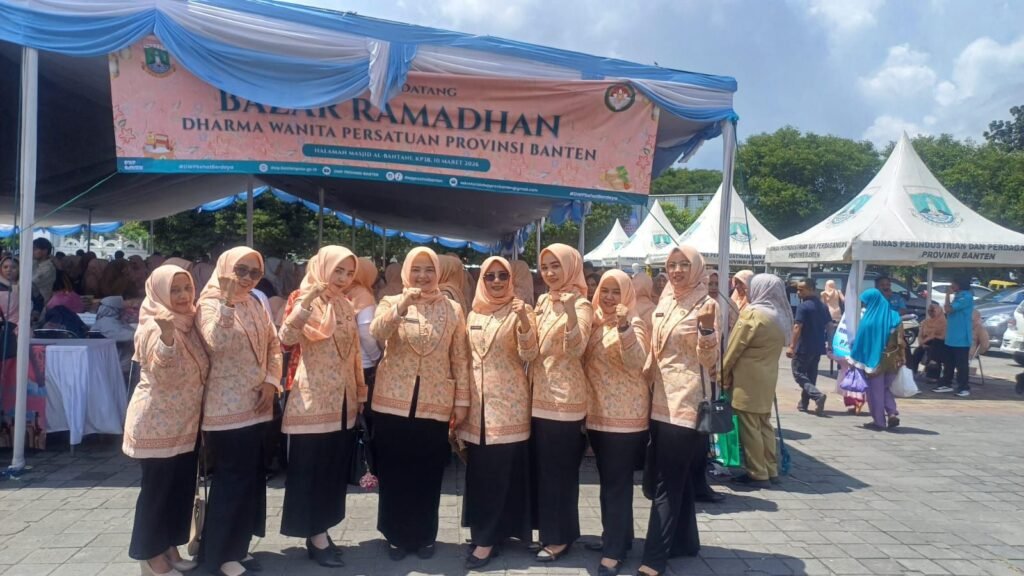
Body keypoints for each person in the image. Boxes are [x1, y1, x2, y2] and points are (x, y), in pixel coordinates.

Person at [369, 247, 471, 561]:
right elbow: (377, 333)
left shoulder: (452, 308)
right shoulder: (391, 302)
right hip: (392, 402)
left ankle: (425, 535)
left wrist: (462, 400)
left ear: (438, 273)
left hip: (434, 401)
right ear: (406, 272)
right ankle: (395, 535)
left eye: (429, 269)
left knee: (428, 470)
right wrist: (403, 304)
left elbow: (460, 356)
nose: (423, 276)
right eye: (416, 269)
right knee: (394, 470)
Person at [195, 247, 283, 576]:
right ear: (225, 269)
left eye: (254, 273)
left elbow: (274, 344)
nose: (247, 278)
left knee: (251, 479)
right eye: (240, 270)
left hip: (257, 404)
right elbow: (216, 342)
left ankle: (238, 545)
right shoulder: (209, 303)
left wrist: (271, 382)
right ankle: (219, 556)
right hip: (226, 408)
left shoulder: (256, 302)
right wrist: (227, 303)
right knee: (231, 481)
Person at [278, 246, 366, 568]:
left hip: (342, 401)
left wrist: (360, 392)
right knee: (310, 470)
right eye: (337, 270)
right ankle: (315, 536)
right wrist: (307, 301)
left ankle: (322, 532)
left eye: (349, 273)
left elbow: (355, 351)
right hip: (311, 400)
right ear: (322, 267)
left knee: (331, 471)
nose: (343, 278)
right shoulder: (302, 297)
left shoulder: (344, 303)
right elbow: (286, 337)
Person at [638, 245, 719, 576]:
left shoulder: (707, 304)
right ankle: (685, 542)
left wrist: (707, 330)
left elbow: (710, 361)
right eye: (671, 265)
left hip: (685, 402)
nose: (677, 271)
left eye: (684, 264)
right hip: (658, 399)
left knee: (666, 482)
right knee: (677, 475)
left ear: (696, 267)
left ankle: (654, 557)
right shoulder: (666, 299)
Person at [124, 264, 209, 576]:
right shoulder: (154, 326)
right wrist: (168, 337)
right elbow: (163, 372)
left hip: (184, 425)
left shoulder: (189, 322)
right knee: (157, 494)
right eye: (174, 290)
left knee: (179, 490)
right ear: (159, 292)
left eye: (187, 288)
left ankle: (169, 547)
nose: (184, 296)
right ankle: (150, 557)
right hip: (157, 425)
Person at [459, 256, 537, 570]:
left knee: (501, 471)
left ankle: (488, 539)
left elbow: (530, 353)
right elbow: (464, 358)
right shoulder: (474, 312)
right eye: (489, 276)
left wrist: (524, 321)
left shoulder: (520, 310)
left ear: (511, 279)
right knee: (480, 473)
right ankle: (487, 531)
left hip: (508, 405)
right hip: (477, 406)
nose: (495, 281)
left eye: (502, 276)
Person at [529, 243, 594, 563]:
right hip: (537, 398)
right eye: (545, 267)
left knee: (560, 473)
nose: (550, 273)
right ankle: (548, 531)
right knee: (543, 471)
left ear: (570, 267)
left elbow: (577, 347)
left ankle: (561, 537)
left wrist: (569, 312)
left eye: (556, 266)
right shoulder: (543, 300)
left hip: (564, 402)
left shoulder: (582, 304)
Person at [583, 270, 649, 576]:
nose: (609, 297)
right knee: (608, 482)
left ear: (627, 295)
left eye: (616, 292)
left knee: (617, 485)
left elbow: (637, 361)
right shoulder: (596, 322)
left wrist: (623, 327)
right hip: (598, 414)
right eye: (605, 290)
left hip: (624, 418)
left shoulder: (634, 322)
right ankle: (617, 537)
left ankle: (614, 551)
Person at [722, 274, 791, 489]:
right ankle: (771, 468)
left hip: (747, 380)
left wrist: (722, 374)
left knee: (749, 426)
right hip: (768, 378)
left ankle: (757, 473)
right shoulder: (779, 316)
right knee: (764, 424)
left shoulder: (753, 314)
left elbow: (734, 348)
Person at [849, 289, 905, 430]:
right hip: (893, 359)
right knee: (885, 388)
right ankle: (892, 413)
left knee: (875, 392)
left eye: (865, 302)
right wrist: (902, 357)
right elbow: (901, 340)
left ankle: (879, 421)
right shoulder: (895, 316)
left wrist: (854, 360)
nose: (865, 305)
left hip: (874, 362)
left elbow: (861, 344)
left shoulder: (868, 321)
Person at [343, 257, 382, 410]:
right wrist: (376, 357)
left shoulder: (342, 291)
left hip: (344, 360)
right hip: (364, 362)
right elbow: (366, 333)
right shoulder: (363, 295)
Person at [787, 278, 829, 415]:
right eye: (797, 289)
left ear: (811, 289)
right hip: (818, 346)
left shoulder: (803, 307)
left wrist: (792, 346)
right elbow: (829, 326)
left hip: (804, 346)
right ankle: (804, 403)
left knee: (798, 373)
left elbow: (797, 326)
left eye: (801, 290)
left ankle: (817, 395)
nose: (798, 292)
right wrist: (830, 343)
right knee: (811, 375)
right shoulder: (823, 306)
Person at [935, 278, 974, 397]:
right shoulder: (957, 296)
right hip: (952, 335)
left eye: (953, 283)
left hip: (961, 337)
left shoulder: (966, 297)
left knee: (961, 364)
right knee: (948, 362)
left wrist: (947, 295)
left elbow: (948, 309)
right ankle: (947, 383)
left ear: (959, 284)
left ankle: (964, 387)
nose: (951, 285)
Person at [908, 302, 946, 377]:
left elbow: (942, 336)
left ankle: (931, 375)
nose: (930, 313)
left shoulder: (944, 323)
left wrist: (925, 341)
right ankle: (913, 372)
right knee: (917, 352)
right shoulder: (925, 322)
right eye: (929, 311)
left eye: (932, 311)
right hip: (925, 342)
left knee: (933, 352)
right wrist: (922, 343)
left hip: (939, 344)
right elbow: (920, 335)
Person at [32, 238, 57, 312]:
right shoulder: (34, 263)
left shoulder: (48, 268)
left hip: (41, 305)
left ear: (45, 251)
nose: (32, 251)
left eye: (35, 249)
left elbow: (32, 283)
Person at [0, 256, 20, 327]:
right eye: (5, 267)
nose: (9, 270)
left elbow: (38, 301)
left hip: (22, 325)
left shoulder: (26, 285)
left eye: (13, 267)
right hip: (3, 326)